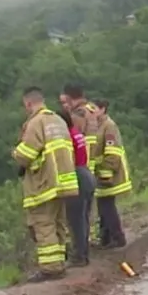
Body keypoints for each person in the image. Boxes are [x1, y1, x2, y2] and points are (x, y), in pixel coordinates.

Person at [12, 87, 78, 282]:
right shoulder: (58, 120)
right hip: (63, 182)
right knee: (58, 223)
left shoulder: (35, 123)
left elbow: (26, 155)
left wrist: (15, 153)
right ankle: (59, 263)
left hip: (44, 183)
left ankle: (51, 269)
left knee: (43, 225)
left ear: (28, 103)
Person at [56, 109, 95, 266]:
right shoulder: (77, 133)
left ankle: (79, 256)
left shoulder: (67, 137)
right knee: (83, 218)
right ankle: (83, 253)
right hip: (86, 174)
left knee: (75, 220)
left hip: (77, 176)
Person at [91, 99, 131, 249]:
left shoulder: (109, 126)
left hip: (109, 174)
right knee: (103, 207)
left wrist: (106, 173)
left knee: (107, 206)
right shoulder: (96, 126)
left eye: (93, 109)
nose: (91, 112)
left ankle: (117, 237)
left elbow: (112, 153)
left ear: (103, 109)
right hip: (101, 173)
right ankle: (106, 238)